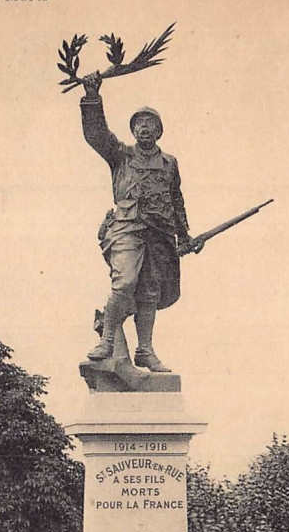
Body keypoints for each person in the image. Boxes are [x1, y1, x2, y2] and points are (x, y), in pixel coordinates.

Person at [80, 70, 202, 372]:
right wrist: (93, 97)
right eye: (139, 123)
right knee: (125, 283)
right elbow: (97, 135)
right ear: (133, 130)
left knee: (149, 293)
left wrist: (185, 236)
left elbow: (176, 199)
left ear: (159, 131)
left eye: (150, 123)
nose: (144, 127)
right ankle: (107, 340)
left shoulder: (169, 162)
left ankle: (145, 351)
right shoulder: (121, 155)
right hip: (126, 228)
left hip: (158, 234)